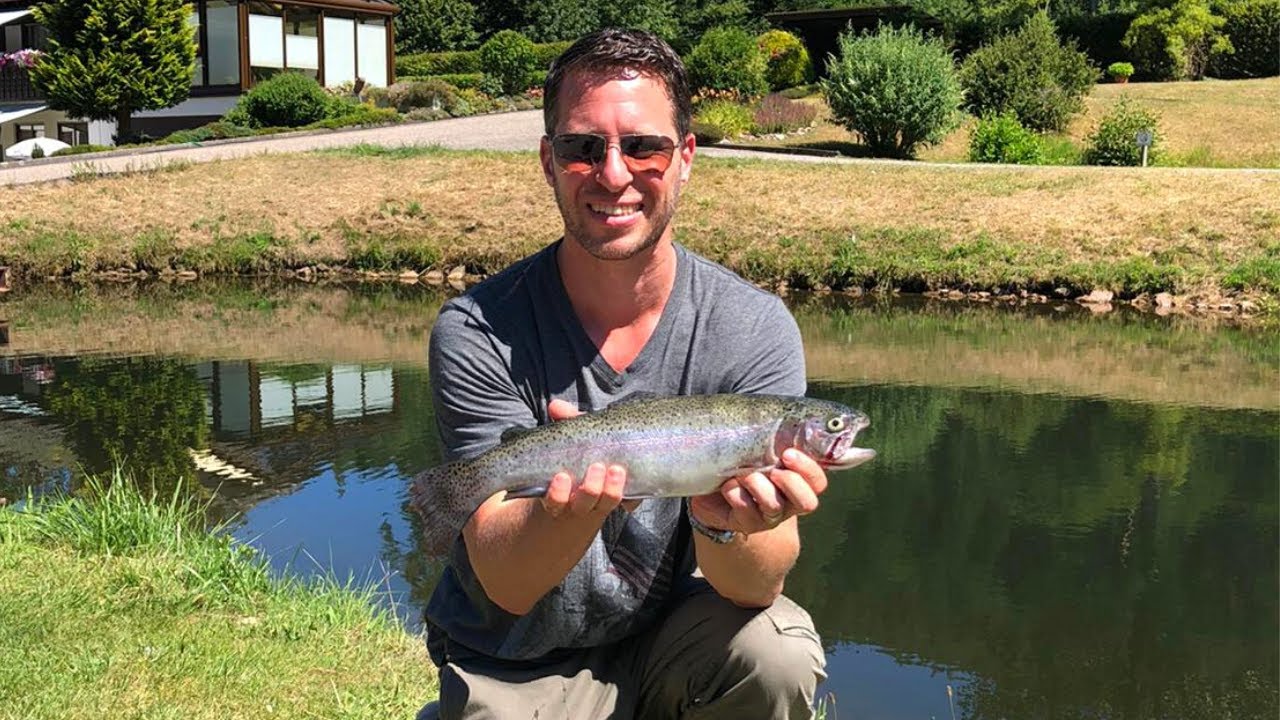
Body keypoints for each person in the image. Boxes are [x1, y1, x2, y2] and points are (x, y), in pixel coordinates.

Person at [420, 27, 830, 720]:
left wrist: (724, 525)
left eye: (644, 146)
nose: (613, 174)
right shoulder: (478, 328)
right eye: (583, 148)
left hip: (672, 639)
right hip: (518, 660)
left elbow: (755, 589)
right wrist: (572, 504)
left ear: (686, 157)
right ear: (548, 162)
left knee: (777, 652)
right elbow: (506, 582)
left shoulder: (752, 327)